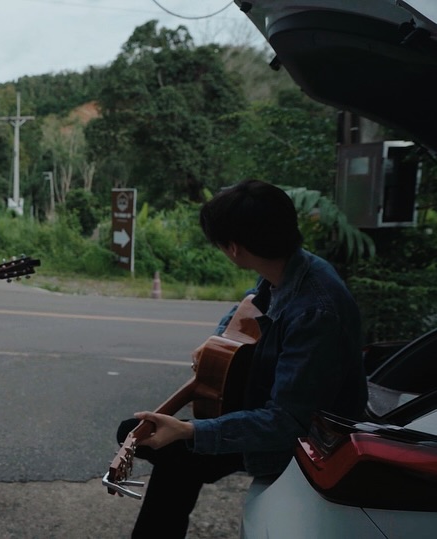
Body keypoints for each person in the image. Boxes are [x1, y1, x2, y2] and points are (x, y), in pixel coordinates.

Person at [115, 179, 368, 538]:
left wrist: (190, 429)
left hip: (308, 441)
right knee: (149, 441)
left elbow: (287, 423)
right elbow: (249, 305)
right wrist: (215, 343)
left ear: (233, 248)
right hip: (267, 403)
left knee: (173, 452)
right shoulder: (291, 269)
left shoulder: (317, 311)